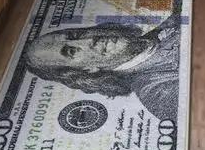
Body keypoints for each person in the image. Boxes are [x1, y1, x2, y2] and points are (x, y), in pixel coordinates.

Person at [23, 19, 181, 121]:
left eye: (74, 35)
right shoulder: (157, 92)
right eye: (72, 51)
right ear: (87, 70)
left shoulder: (165, 22)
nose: (88, 40)